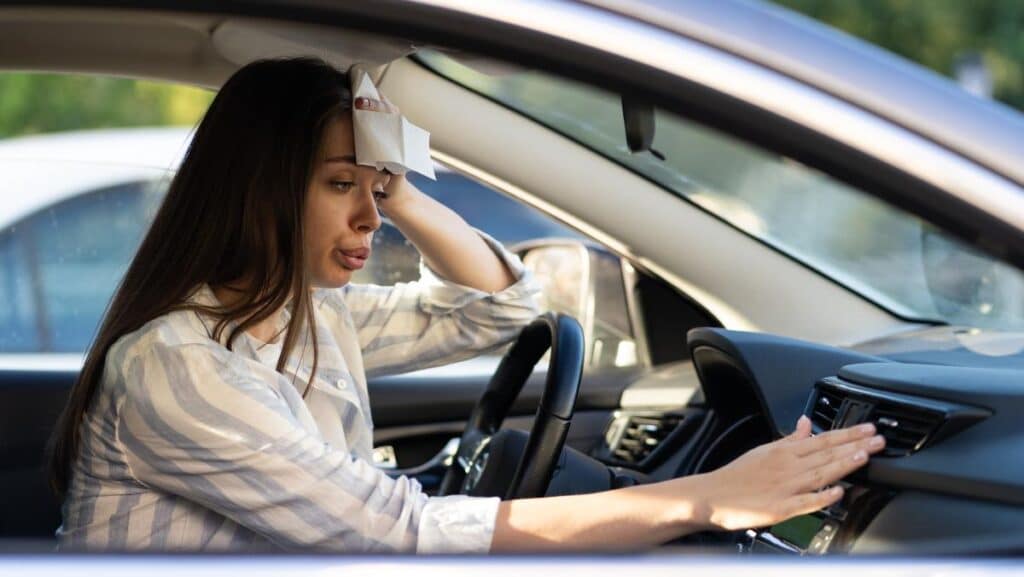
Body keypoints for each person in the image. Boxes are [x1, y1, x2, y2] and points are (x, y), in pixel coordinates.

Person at [49, 57, 885, 553]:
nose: (369, 218)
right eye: (341, 185)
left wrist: (398, 185)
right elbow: (393, 532)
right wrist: (705, 498)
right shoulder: (179, 365)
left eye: (373, 188)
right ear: (259, 190)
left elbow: (496, 308)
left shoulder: (303, 315)